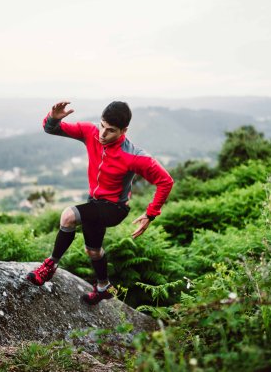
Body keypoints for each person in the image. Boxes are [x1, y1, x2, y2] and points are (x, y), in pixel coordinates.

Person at [26, 101, 174, 305]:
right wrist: (54, 118)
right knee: (93, 251)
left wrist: (150, 213)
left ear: (124, 130)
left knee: (68, 216)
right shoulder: (91, 132)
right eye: (102, 125)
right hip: (94, 203)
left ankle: (49, 266)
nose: (103, 134)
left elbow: (166, 181)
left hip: (115, 208)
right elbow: (51, 129)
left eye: (111, 130)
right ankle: (104, 287)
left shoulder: (134, 156)